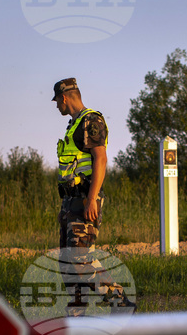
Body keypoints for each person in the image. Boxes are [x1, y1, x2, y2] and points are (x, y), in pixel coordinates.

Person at [51, 77, 132, 313]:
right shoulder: (74, 124)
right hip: (70, 200)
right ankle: (76, 314)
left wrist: (92, 199)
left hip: (85, 198)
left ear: (64, 98)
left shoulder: (91, 120)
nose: (57, 106)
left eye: (57, 101)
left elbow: (101, 159)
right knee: (68, 262)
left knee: (80, 259)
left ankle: (120, 301)